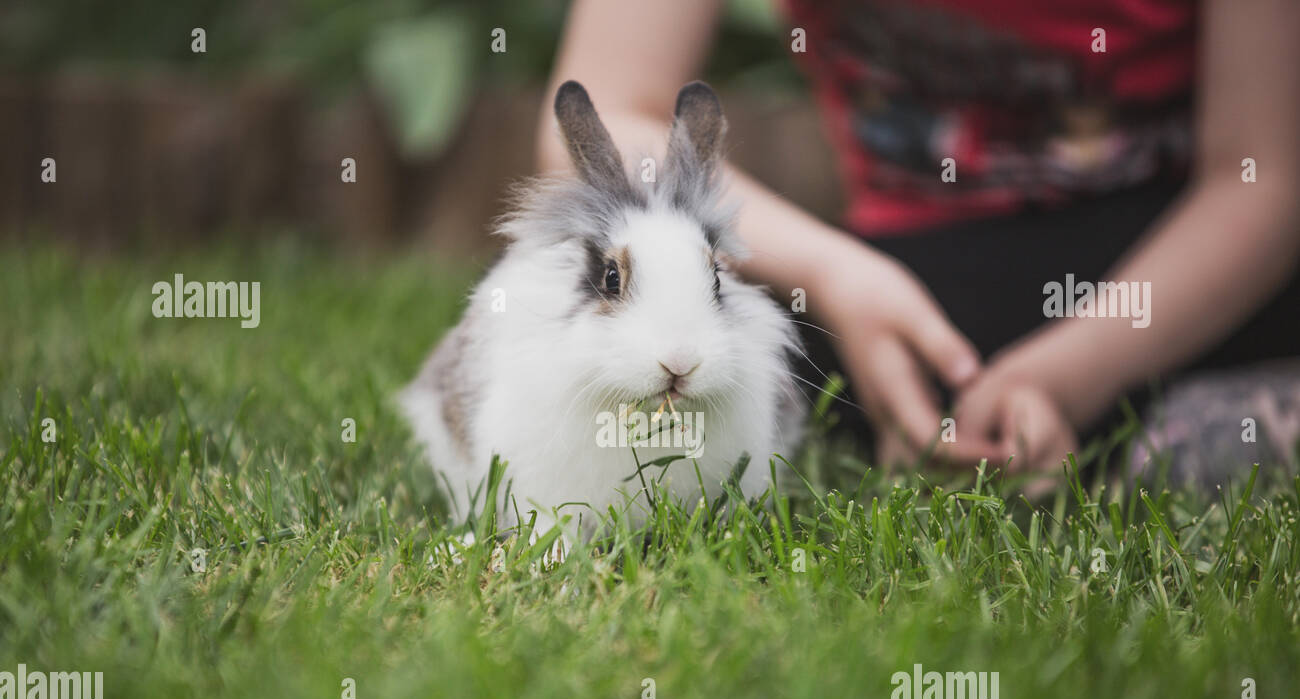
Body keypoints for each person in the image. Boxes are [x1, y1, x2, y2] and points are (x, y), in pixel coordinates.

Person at [536, 0, 1300, 485]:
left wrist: (1070, 373)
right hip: (909, 274)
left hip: (1188, 269)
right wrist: (835, 275)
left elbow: (1261, 179)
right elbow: (607, 112)